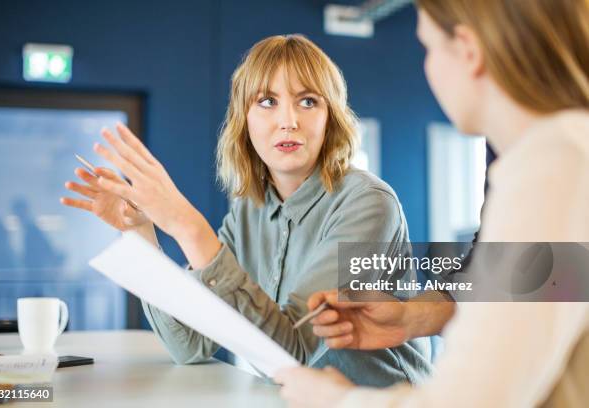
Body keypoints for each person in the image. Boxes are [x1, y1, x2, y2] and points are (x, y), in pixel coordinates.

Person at [61, 34, 432, 386]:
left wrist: (188, 227)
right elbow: (189, 345)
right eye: (267, 101)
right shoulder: (247, 211)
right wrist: (140, 232)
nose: (288, 120)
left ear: (330, 118)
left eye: (308, 101)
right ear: (245, 119)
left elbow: (296, 352)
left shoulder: (368, 202)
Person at [275, 0, 589, 406]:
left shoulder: (552, 167)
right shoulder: (561, 155)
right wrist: (411, 316)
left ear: (468, 50)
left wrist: (336, 399)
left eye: (428, 47)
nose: (428, 69)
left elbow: (474, 400)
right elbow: (542, 295)